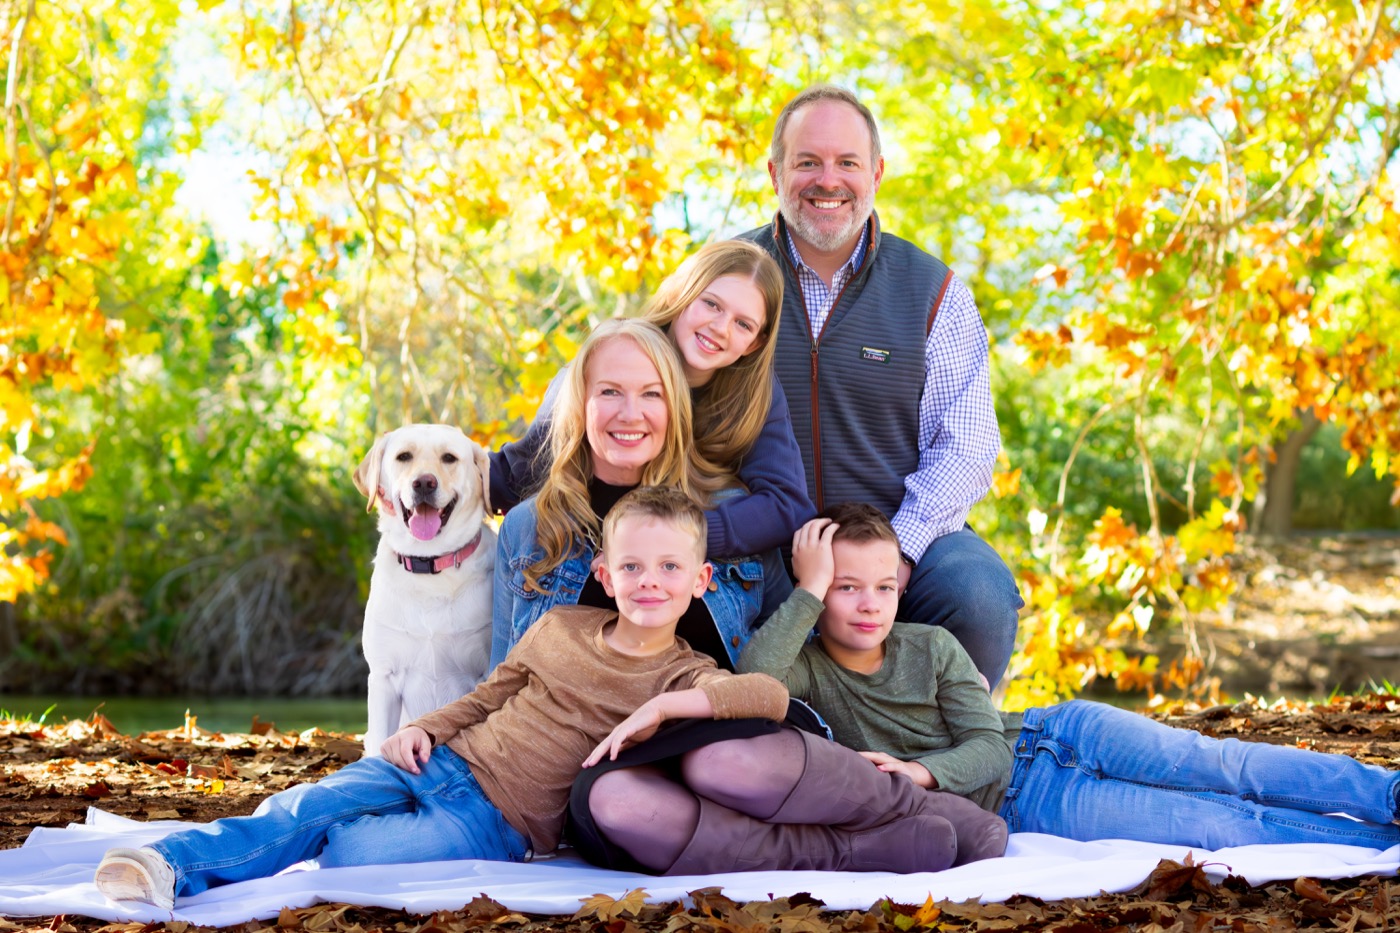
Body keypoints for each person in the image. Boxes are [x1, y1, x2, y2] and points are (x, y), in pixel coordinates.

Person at [92, 488, 948, 908]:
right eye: (634, 568)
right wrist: (424, 726)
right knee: (318, 798)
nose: (650, 583)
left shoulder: (687, 671)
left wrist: (666, 710)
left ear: (700, 580)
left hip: (498, 819)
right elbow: (487, 694)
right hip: (448, 761)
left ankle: (293, 839)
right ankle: (173, 864)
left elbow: (763, 694)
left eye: (670, 570)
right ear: (607, 575)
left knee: (349, 860)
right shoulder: (562, 629)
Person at [737, 503, 1400, 851]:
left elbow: (990, 744)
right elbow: (750, 681)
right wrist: (809, 587)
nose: (870, 602)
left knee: (1222, 762)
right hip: (1030, 803)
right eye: (846, 586)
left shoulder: (931, 644)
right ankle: (1376, 846)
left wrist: (920, 772)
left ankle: (1390, 795)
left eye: (884, 585)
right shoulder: (808, 670)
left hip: (1058, 729)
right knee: (1220, 825)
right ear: (819, 592)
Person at [739, 84, 1022, 687]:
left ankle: (946, 761)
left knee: (979, 595)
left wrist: (898, 553)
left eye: (847, 162)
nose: (828, 180)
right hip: (757, 539)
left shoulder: (932, 291)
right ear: (774, 172)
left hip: (900, 532)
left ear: (877, 172)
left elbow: (967, 448)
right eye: (807, 162)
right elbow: (642, 377)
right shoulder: (727, 277)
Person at [489, 318, 792, 671]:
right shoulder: (529, 527)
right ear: (581, 403)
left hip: (714, 724)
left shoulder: (734, 511)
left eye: (651, 393)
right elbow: (499, 682)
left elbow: (795, 661)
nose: (630, 415)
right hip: (567, 726)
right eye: (609, 392)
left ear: (673, 407)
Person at [489, 240, 815, 558]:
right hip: (588, 537)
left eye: (743, 324)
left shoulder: (753, 394)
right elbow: (519, 472)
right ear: (681, 294)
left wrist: (678, 536)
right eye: (711, 304)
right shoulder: (606, 362)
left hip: (677, 554)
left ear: (754, 344)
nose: (720, 328)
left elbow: (787, 504)